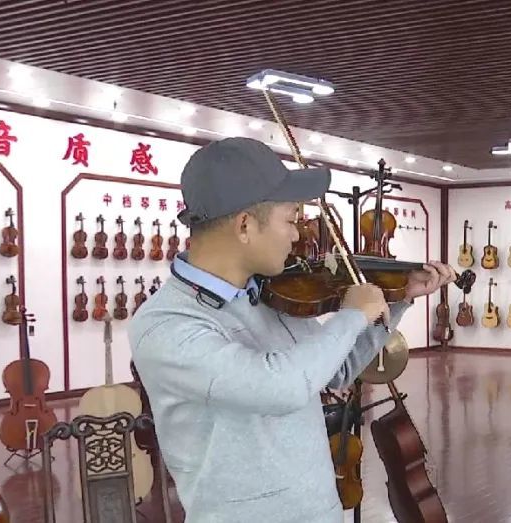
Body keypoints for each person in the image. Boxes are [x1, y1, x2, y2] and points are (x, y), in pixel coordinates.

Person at [129, 137, 456, 523]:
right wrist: (351, 316)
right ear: (245, 225)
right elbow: (280, 387)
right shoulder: (166, 325)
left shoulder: (268, 296)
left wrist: (399, 297)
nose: (298, 236)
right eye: (290, 220)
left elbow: (336, 369)